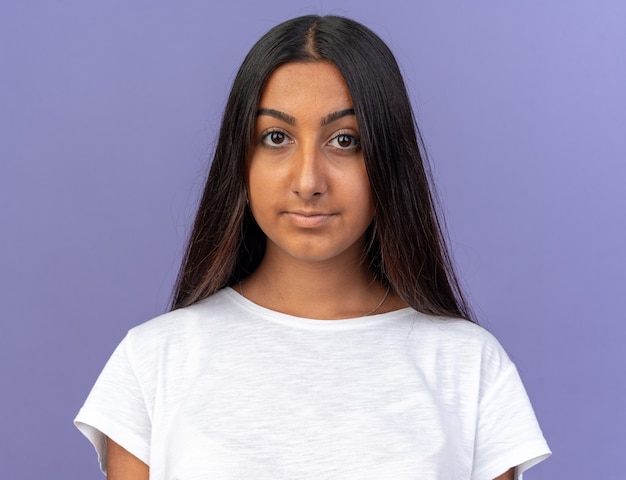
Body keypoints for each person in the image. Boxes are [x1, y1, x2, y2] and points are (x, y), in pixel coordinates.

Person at [75, 15, 550, 480]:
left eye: (345, 140)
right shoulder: (154, 360)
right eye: (276, 138)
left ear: (387, 158)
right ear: (241, 157)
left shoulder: (468, 367)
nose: (308, 181)